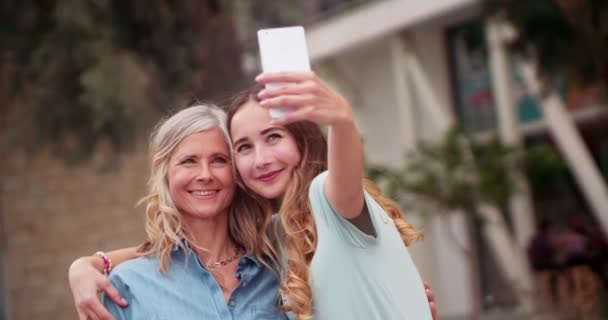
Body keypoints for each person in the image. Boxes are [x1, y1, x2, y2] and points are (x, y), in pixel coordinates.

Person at [69, 71, 438, 320]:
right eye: (244, 147)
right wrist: (88, 264)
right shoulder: (280, 242)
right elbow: (166, 254)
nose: (261, 159)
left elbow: (343, 182)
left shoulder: (324, 207)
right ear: (163, 175)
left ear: (303, 141)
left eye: (274, 137)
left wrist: (341, 120)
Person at [73, 104, 286, 320]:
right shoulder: (128, 285)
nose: (205, 174)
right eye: (188, 161)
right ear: (165, 175)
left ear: (236, 172)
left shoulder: (278, 262)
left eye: (218, 160)